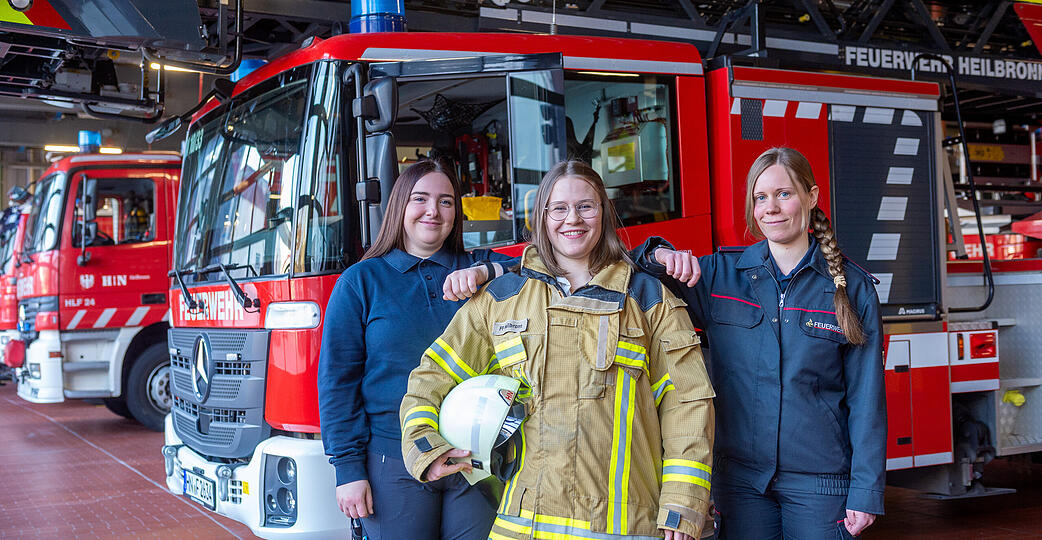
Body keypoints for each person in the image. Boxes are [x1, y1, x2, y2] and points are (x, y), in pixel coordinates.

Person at [399, 160, 715, 540]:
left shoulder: (648, 299)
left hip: (624, 528)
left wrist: (683, 502)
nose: (573, 219)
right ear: (543, 218)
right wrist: (424, 446)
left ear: (604, 213)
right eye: (559, 208)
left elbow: (689, 404)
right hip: (523, 527)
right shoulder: (503, 298)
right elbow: (433, 376)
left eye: (586, 206)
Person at [647, 147, 885, 539]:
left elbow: (866, 397)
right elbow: (631, 272)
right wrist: (659, 254)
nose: (770, 208)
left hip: (821, 483)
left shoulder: (852, 287)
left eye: (784, 194)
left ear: (811, 197)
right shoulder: (719, 275)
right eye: (760, 198)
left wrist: (866, 490)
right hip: (739, 483)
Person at [317, 158, 514, 540]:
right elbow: (337, 384)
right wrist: (348, 470)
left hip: (473, 458)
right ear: (399, 207)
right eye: (420, 199)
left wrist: (486, 272)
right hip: (392, 460)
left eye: (446, 201)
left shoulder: (478, 270)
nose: (433, 211)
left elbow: (543, 268)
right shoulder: (361, 281)